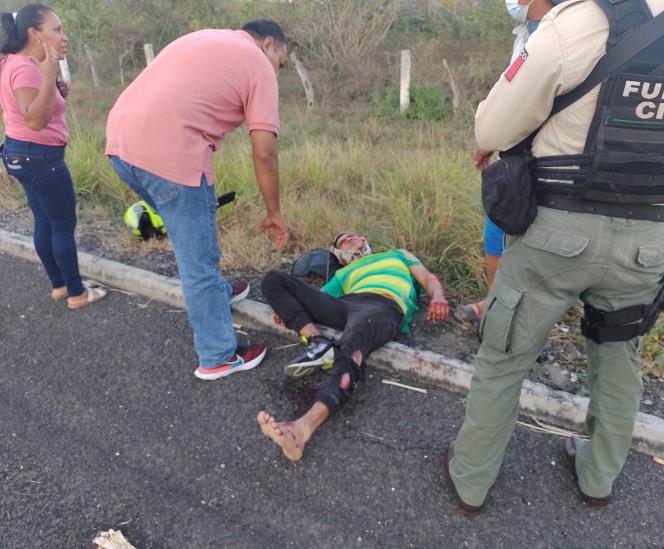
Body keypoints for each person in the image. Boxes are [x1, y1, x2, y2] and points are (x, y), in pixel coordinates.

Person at [445, 0, 664, 514]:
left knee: (506, 356)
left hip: (555, 233)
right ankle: (597, 479)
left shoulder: (582, 21)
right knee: (619, 363)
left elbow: (490, 130)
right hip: (648, 239)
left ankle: (471, 481)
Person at [105, 19, 290, 380]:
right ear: (269, 44)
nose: (278, 71)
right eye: (281, 62)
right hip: (170, 157)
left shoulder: (203, 36)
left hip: (119, 149)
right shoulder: (258, 64)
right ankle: (217, 355)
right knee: (199, 260)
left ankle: (218, 294)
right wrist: (274, 213)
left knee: (191, 235)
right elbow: (265, 153)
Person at [257, 232, 450, 461]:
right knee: (273, 279)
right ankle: (318, 343)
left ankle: (300, 429)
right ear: (339, 256)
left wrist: (438, 296)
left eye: (352, 237)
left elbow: (428, 278)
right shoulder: (342, 274)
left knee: (351, 350)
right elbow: (314, 300)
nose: (349, 241)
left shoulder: (397, 255)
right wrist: (288, 310)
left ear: (364, 240)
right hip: (347, 304)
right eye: (342, 242)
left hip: (383, 305)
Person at [456, 0, 559, 325]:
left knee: (514, 223)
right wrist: (494, 141)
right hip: (518, 149)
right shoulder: (529, 33)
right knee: (500, 221)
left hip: (544, 154)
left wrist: (495, 137)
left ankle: (513, 317)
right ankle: (496, 304)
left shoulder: (551, 36)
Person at [0, 4, 107, 309]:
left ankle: (59, 285)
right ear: (34, 33)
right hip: (41, 159)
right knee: (62, 225)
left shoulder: (11, 61)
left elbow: (25, 107)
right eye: (57, 30)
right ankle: (76, 293)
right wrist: (48, 78)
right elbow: (34, 119)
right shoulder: (25, 67)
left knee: (45, 222)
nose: (64, 37)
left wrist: (54, 91)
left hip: (21, 155)